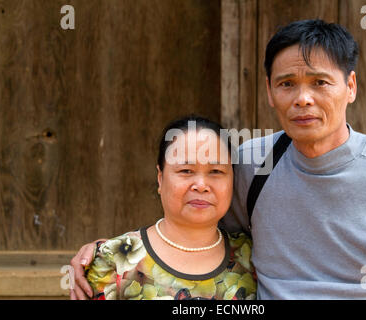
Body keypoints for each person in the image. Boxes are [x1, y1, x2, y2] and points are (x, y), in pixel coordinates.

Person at [71, 19, 366, 300]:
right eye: (287, 84)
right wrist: (112, 253)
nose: (302, 99)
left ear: (351, 86)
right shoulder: (247, 163)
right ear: (269, 91)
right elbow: (193, 222)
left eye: (320, 82)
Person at [79, 116, 257, 300]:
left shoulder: (252, 255)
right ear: (160, 177)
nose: (201, 185)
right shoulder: (112, 260)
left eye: (216, 171)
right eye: (186, 171)